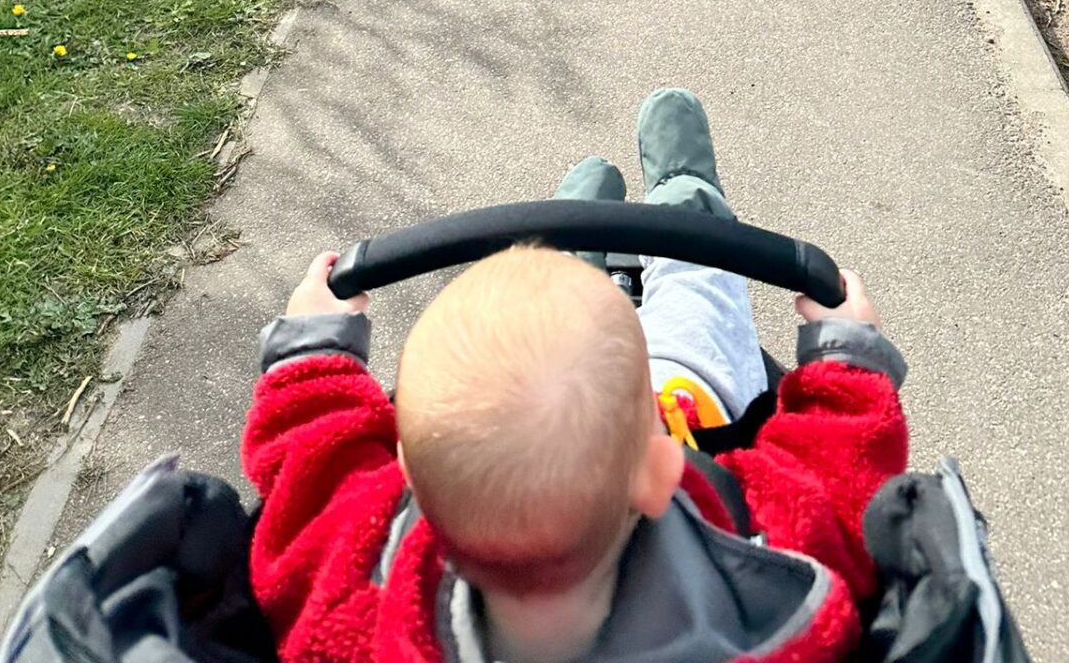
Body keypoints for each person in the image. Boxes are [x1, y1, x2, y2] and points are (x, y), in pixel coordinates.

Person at [243, 90, 910, 663]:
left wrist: (312, 356)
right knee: (698, 313)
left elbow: (312, 467)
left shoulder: (357, 609)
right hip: (695, 395)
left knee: (561, 332)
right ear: (661, 472)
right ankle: (684, 207)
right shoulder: (768, 584)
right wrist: (847, 358)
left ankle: (569, 252)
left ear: (405, 484)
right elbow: (837, 479)